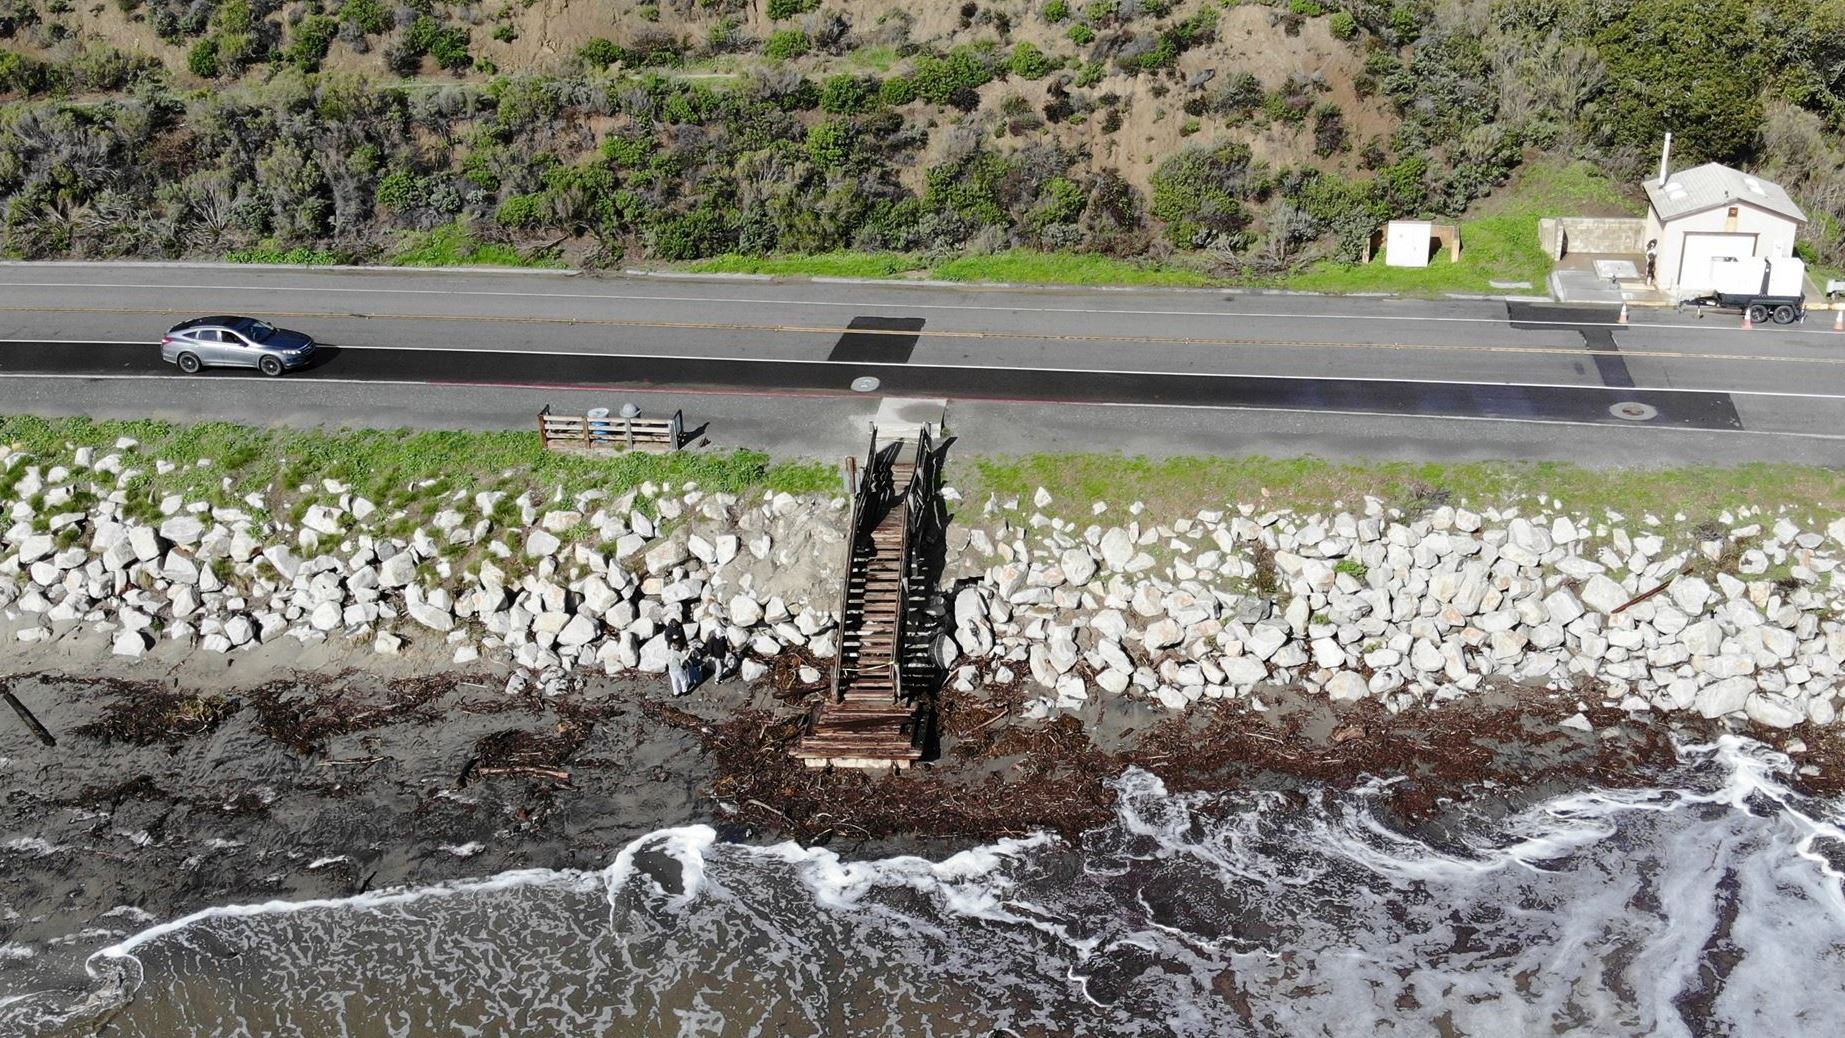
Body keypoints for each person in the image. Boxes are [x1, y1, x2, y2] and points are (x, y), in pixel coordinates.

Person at [664, 620, 692, 697]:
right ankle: (684, 691)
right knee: (683, 680)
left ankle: (676, 693)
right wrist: (690, 651)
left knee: (674, 681)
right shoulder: (677, 653)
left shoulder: (667, 653)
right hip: (678, 669)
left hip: (671, 670)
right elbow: (685, 658)